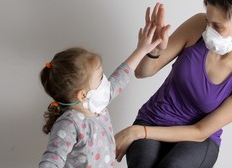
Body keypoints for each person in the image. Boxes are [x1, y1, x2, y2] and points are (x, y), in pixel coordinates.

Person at [114, 0, 232, 168]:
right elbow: (143, 72)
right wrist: (152, 49)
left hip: (198, 139)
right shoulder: (197, 26)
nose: (208, 30)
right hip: (154, 119)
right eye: (207, 22)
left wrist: (137, 132)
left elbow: (200, 131)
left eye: (217, 26)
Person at [38, 22, 162, 168]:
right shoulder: (69, 124)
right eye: (100, 78)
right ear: (83, 95)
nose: (106, 82)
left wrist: (141, 50)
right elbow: (52, 159)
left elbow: (120, 78)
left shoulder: (98, 105)